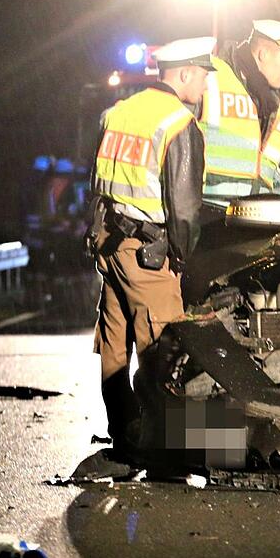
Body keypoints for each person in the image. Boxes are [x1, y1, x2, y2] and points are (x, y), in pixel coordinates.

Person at [88, 36, 212, 459]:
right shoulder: (178, 123)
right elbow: (184, 211)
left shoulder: (118, 112)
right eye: (202, 77)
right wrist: (183, 261)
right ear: (182, 74)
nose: (205, 87)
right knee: (165, 350)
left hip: (110, 244)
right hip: (147, 251)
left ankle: (126, 436)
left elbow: (98, 182)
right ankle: (170, 452)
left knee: (114, 346)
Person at [200, 19, 280, 198]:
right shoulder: (210, 77)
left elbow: (278, 174)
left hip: (251, 220)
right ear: (263, 54)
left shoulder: (274, 109)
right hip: (208, 218)